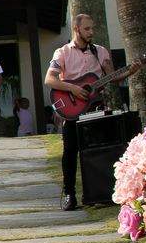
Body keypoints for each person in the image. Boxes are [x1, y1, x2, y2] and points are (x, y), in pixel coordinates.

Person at [45, 14, 140, 211]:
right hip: (71, 111)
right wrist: (72, 89)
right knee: (70, 152)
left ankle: (103, 192)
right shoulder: (62, 52)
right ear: (76, 29)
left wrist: (130, 71)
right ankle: (70, 194)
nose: (90, 32)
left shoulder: (100, 51)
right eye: (86, 29)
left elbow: (111, 75)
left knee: (100, 150)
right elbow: (50, 79)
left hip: (94, 111)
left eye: (92, 29)